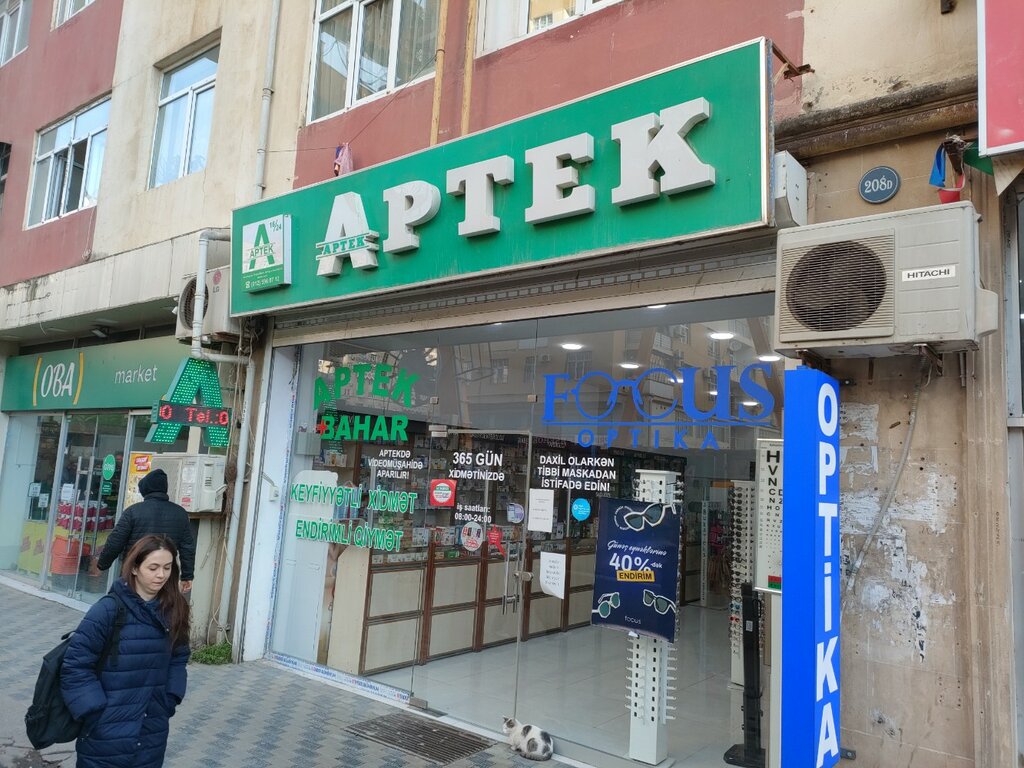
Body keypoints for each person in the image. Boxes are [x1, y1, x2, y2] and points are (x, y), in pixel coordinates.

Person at [62, 535, 191, 768]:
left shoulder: (175, 610)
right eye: (153, 567)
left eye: (167, 568)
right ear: (134, 568)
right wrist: (94, 712)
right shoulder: (107, 610)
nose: (161, 575)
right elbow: (75, 666)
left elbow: (179, 657)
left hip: (152, 728)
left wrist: (170, 698)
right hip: (104, 733)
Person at [94, 469, 196, 593]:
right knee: (163, 604)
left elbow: (115, 542)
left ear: (145, 489)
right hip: (165, 576)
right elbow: (187, 548)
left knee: (130, 603)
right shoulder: (180, 513)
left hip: (136, 573)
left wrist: (102, 564)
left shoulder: (132, 512)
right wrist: (187, 576)